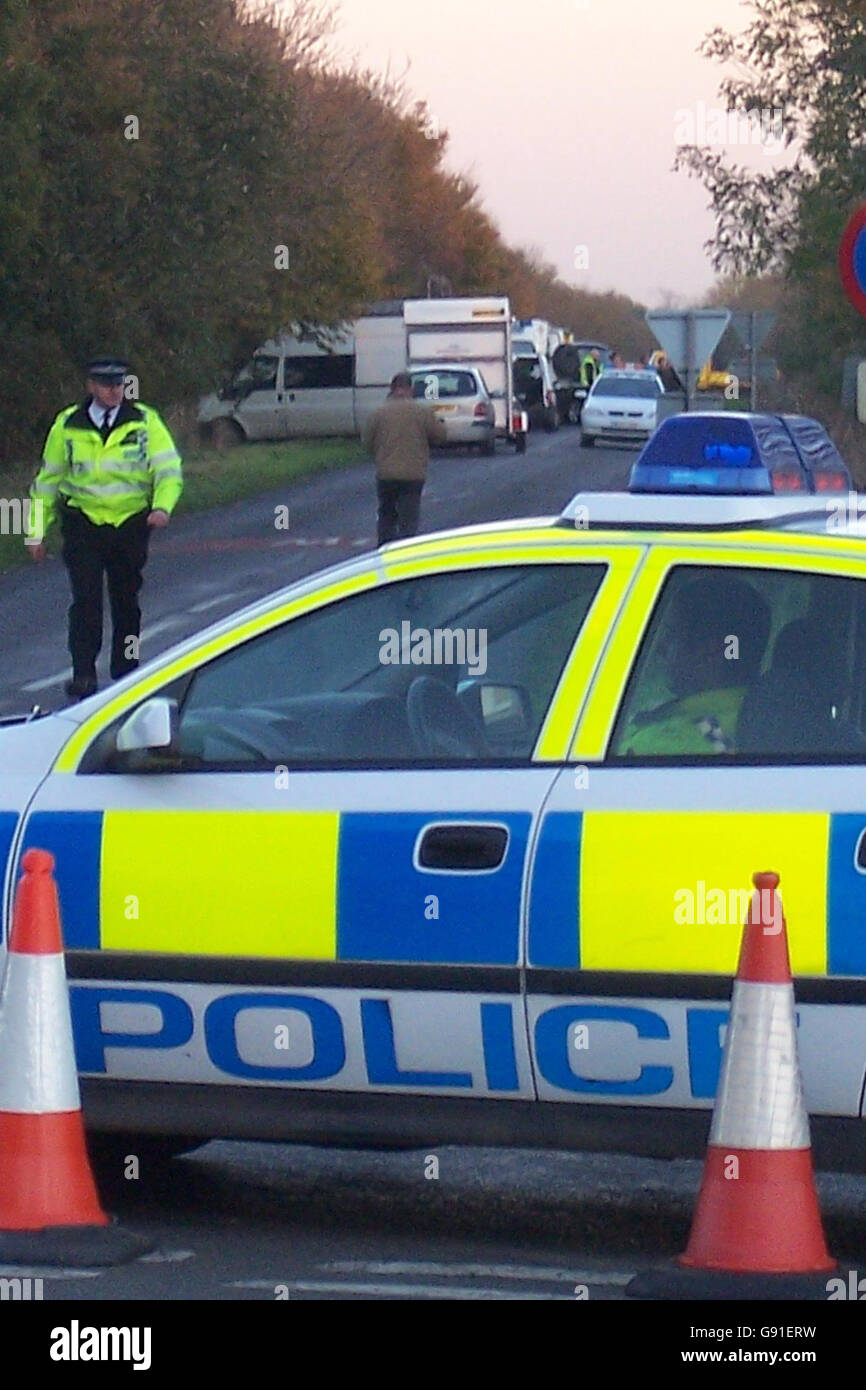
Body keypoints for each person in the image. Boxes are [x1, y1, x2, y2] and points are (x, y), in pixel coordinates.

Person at [26, 356, 183, 700]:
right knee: (85, 601)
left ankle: (127, 670)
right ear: (91, 386)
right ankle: (83, 674)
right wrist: (35, 531)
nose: (113, 391)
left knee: (127, 601)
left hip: (130, 524)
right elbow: (47, 481)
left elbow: (168, 470)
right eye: (106, 385)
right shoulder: (68, 425)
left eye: (118, 384)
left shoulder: (144, 422)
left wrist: (162, 507)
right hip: (83, 524)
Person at [616, 574, 771, 756]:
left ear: (711, 652)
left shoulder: (664, 743)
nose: (660, 647)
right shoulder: (764, 721)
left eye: (672, 634)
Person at [362, 372, 446, 547]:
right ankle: (405, 554)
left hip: (386, 473)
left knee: (386, 515)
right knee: (409, 517)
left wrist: (381, 453)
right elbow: (439, 436)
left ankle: (384, 551)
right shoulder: (422, 412)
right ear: (410, 388)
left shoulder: (377, 412)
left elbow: (367, 443)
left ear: (392, 388)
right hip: (413, 473)